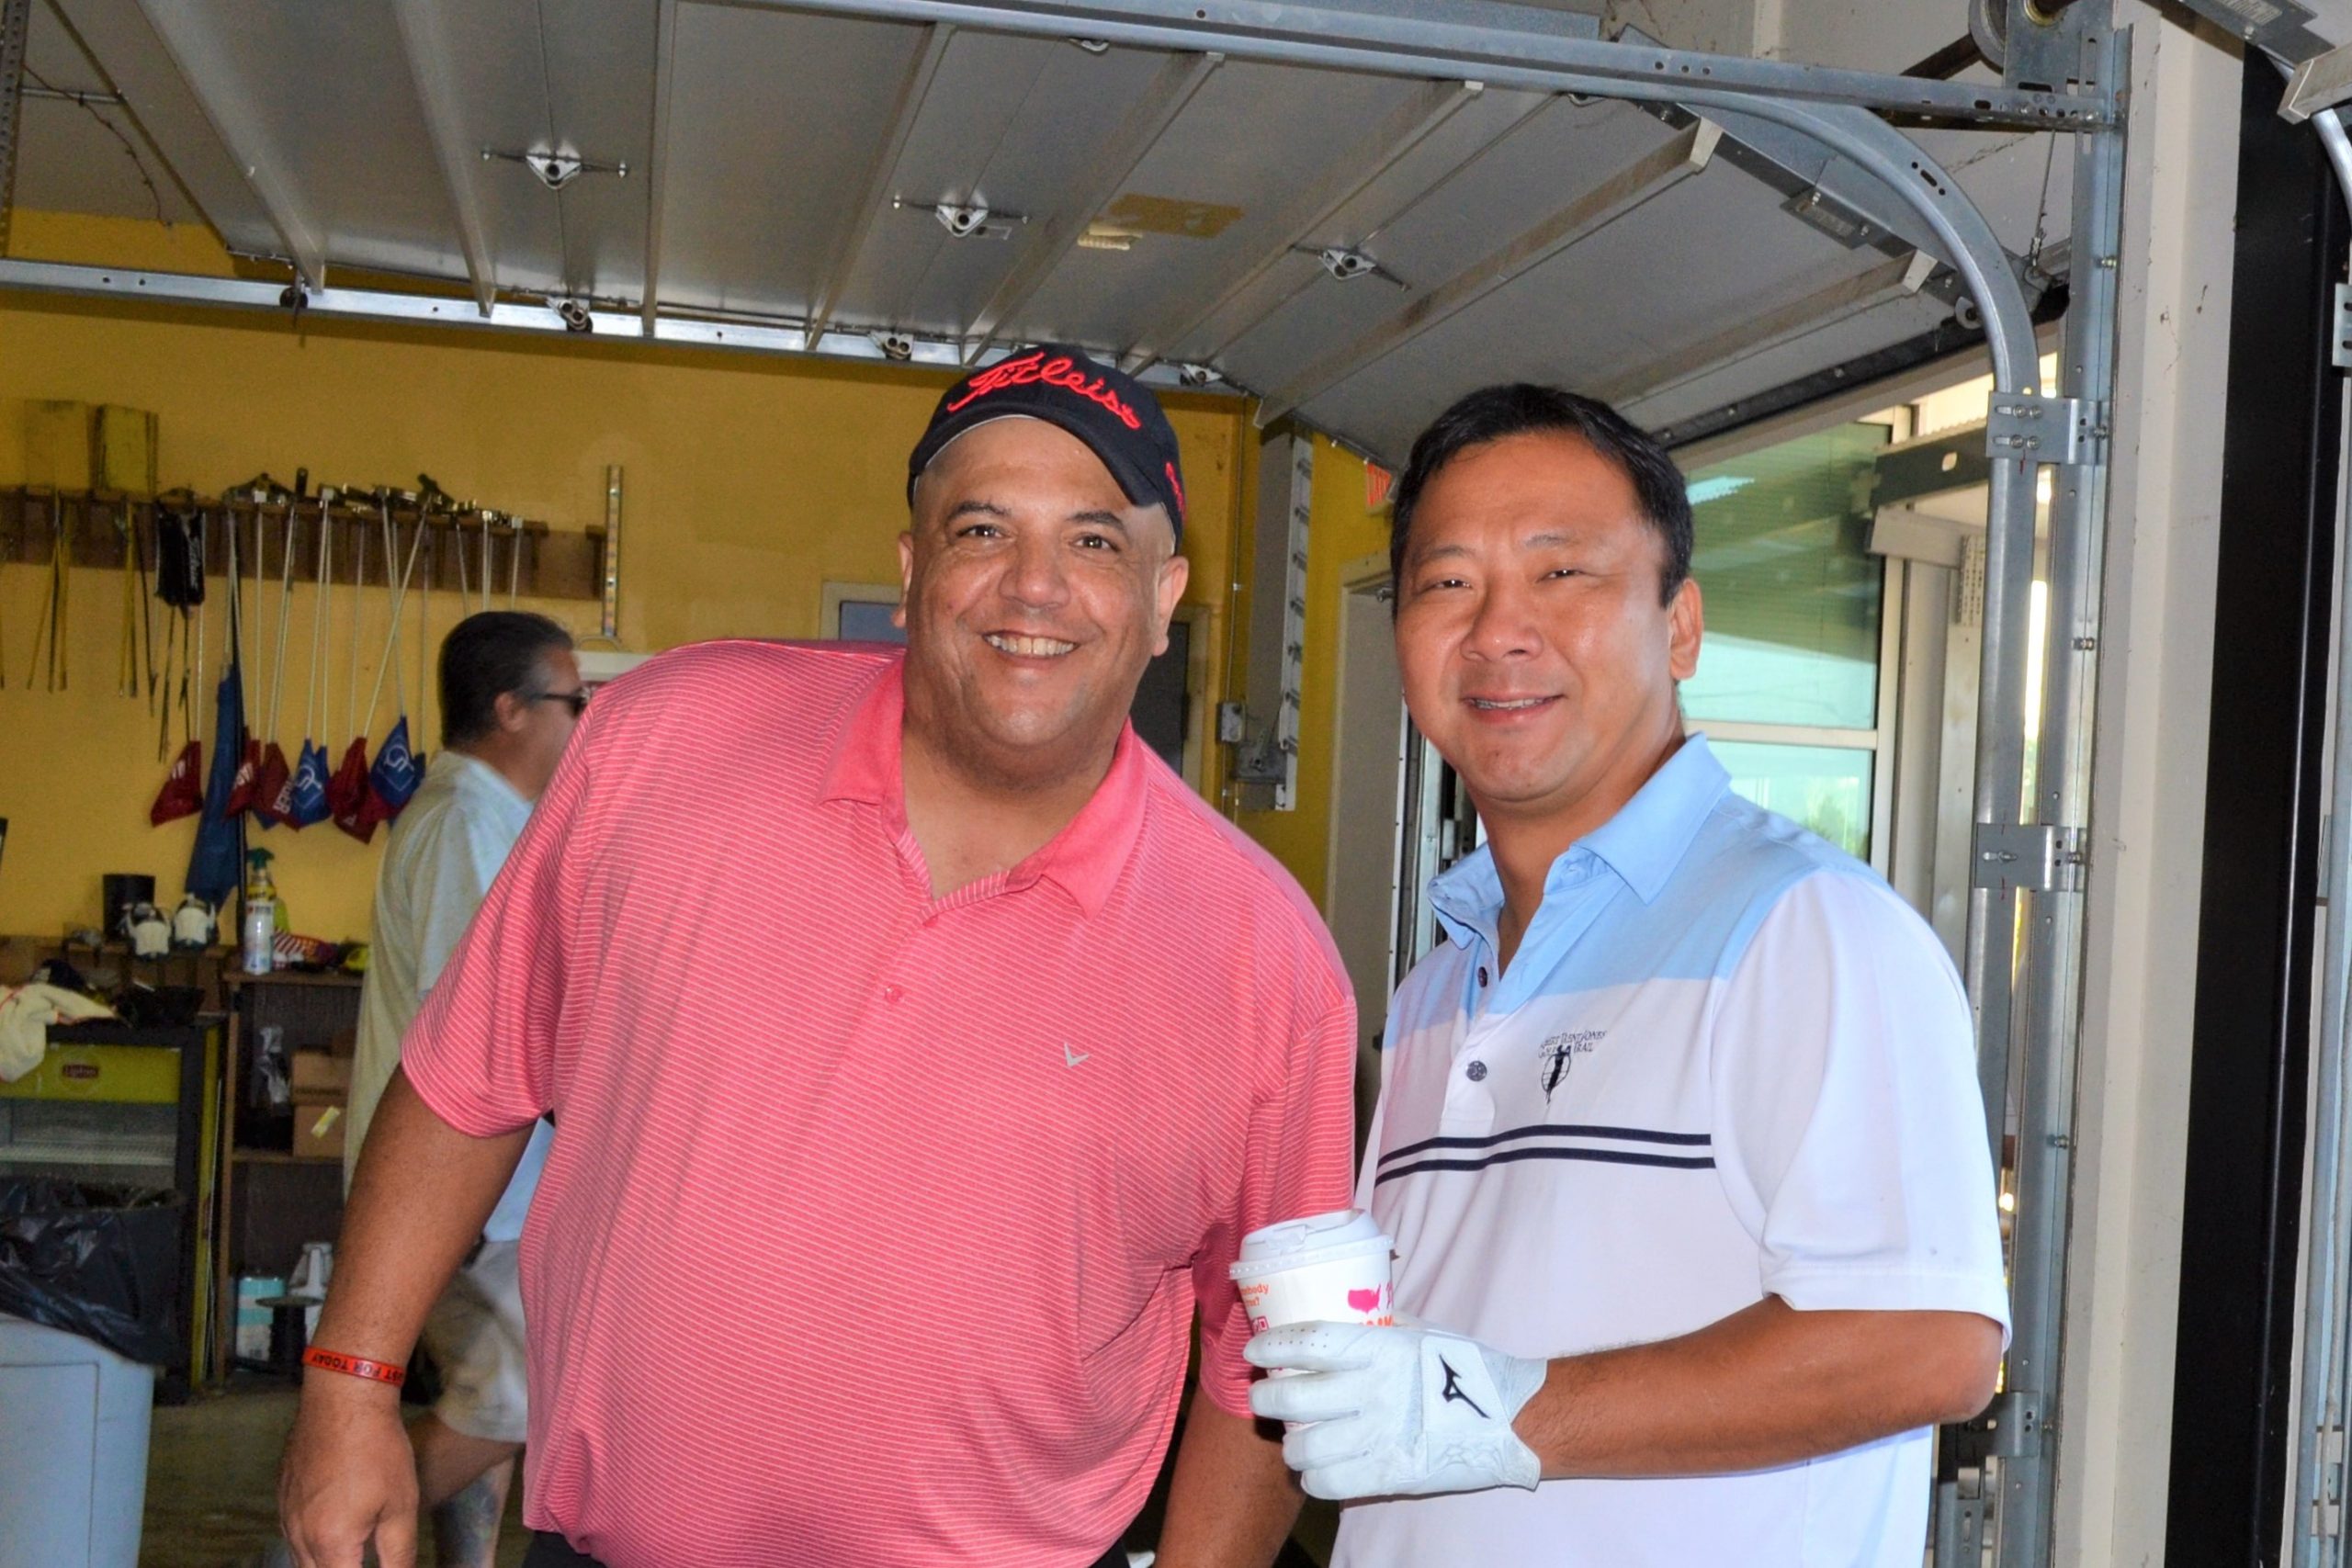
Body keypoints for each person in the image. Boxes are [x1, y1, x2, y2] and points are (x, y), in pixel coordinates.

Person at [277, 344, 1356, 1568]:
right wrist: (348, 1384)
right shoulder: (666, 742)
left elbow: (1275, 1355)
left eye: (1095, 541)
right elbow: (469, 1077)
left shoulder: (1261, 955)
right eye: (983, 529)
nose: (1035, 585)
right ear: (911, 569)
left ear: (1164, 597)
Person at [1247, 385, 2009, 1566]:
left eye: (1563, 573)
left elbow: (1925, 1346)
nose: (1499, 630)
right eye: (1447, 583)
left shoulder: (1807, 930)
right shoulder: (1440, 989)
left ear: (1681, 627)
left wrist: (1495, 1413)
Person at [339, 610, 584, 1568]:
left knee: (489, 1393)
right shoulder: (463, 824)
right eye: (573, 704)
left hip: (493, 1188)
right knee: (520, 1396)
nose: (583, 725)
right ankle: (324, 1540)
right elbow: (486, 1023)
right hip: (462, 1186)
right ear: (511, 708)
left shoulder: (496, 821)